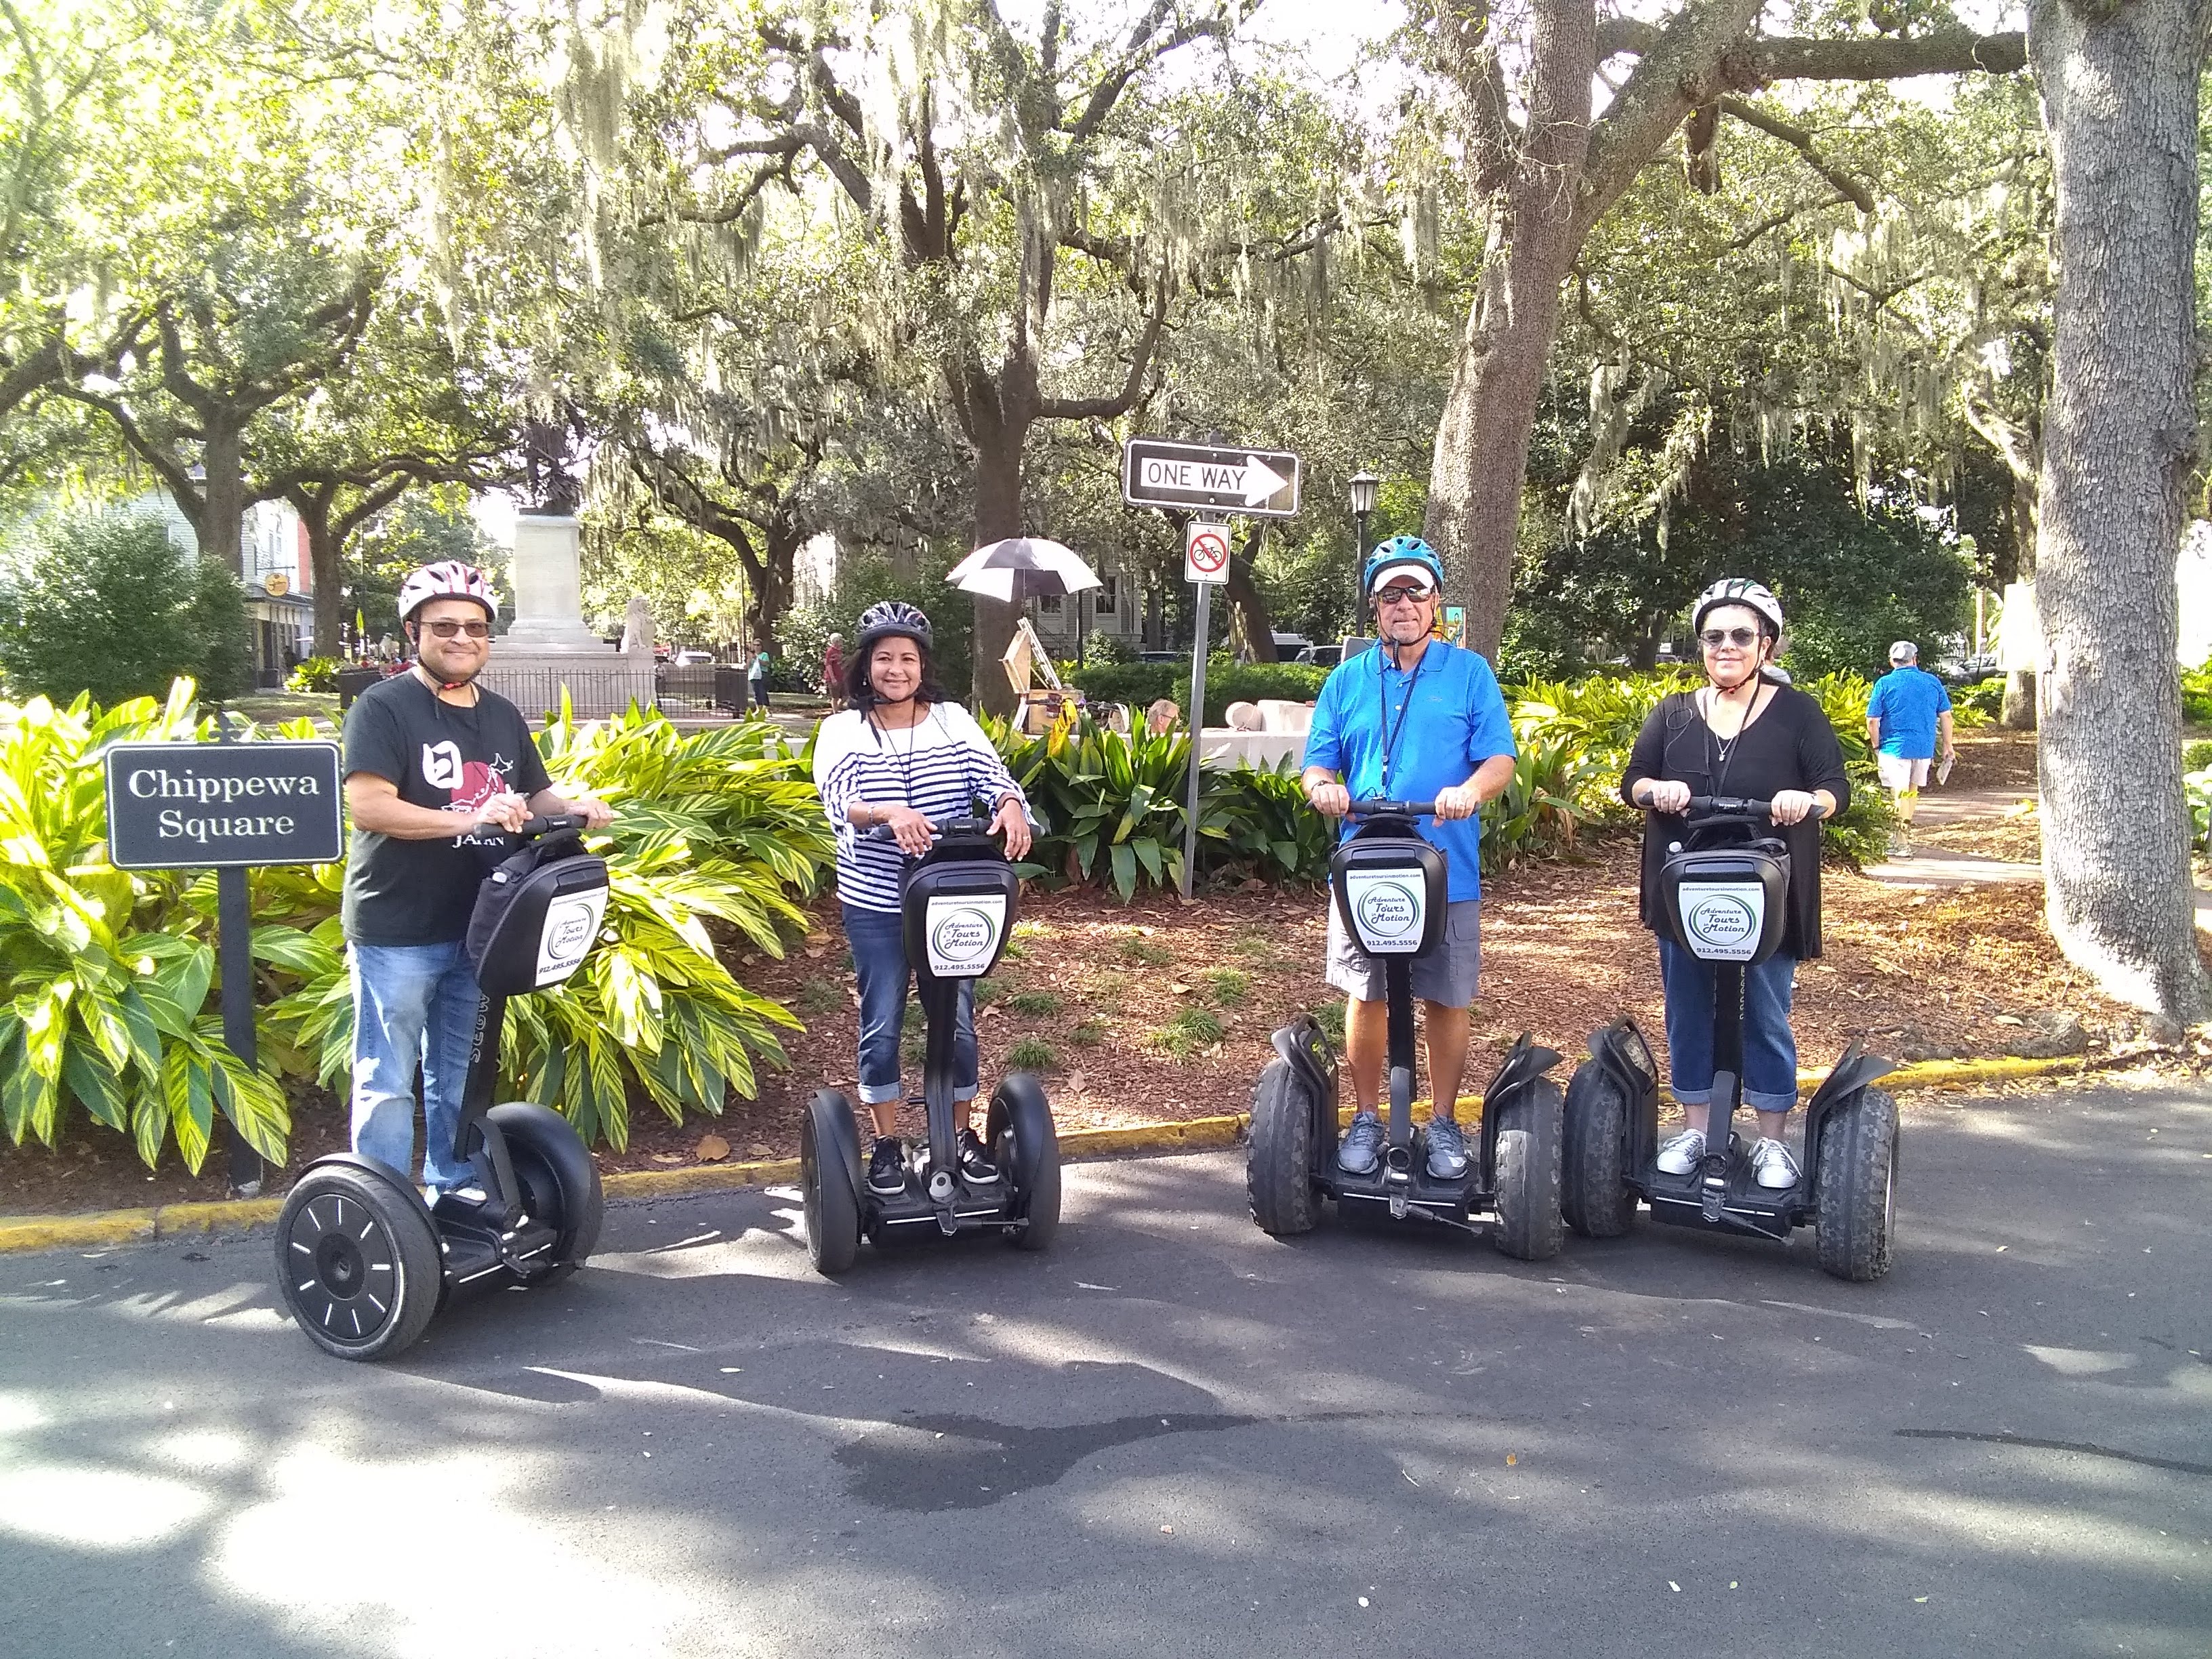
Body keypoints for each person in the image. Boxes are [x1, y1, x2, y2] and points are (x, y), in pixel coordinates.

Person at [342, 562, 615, 1200]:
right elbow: (369, 806)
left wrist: (576, 805)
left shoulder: (500, 713)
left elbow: (534, 792)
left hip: (481, 926)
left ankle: (453, 1190)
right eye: (445, 626)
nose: (462, 638)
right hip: (399, 928)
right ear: (415, 632)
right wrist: (467, 817)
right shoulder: (383, 708)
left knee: (458, 1075)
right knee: (386, 1079)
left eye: (476, 627)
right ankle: (383, 1211)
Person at [1298, 537, 1518, 1181]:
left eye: (1414, 592)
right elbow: (1318, 762)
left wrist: (1469, 791)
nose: (1402, 604)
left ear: (1436, 601)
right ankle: (1367, 1117)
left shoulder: (1468, 673)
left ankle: (1445, 1121)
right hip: (1365, 865)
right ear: (1375, 607)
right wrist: (1323, 790)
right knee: (1367, 996)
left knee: (1446, 998)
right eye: (1389, 594)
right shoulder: (1347, 679)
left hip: (1445, 864)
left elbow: (1499, 757)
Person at [1622, 577, 1849, 1191]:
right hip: (1687, 887)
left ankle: (1773, 1143)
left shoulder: (1798, 713)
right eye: (1714, 636)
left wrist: (1808, 802)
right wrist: (1655, 791)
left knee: (1766, 1012)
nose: (1727, 646)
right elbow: (1633, 780)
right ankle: (1698, 1129)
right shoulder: (1672, 714)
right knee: (1688, 1008)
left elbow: (1836, 787)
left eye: (1741, 635)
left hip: (1769, 888)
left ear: (1767, 645)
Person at [811, 601, 1034, 1197]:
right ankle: (885, 1144)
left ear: (922, 665)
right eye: (884, 658)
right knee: (881, 1023)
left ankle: (958, 1138)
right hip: (878, 901)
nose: (896, 669)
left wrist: (1010, 806)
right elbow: (839, 801)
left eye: (907, 658)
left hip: (953, 899)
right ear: (865, 667)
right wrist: (889, 812)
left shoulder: (953, 721)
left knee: (956, 1025)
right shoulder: (842, 730)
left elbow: (993, 777)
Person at [1866, 639, 1954, 858]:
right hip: (1922, 749)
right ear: (1915, 659)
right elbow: (1946, 715)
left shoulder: (1885, 684)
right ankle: (1902, 836)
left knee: (1899, 793)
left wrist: (1876, 745)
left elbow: (1872, 720)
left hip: (1894, 749)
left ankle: (1901, 841)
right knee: (1911, 792)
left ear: (1892, 661)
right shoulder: (1932, 682)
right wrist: (1948, 746)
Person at [823, 632, 846, 712]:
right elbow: (828, 665)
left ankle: (838, 707)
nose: (842, 642)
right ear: (836, 641)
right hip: (833, 677)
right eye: (840, 640)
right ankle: (835, 713)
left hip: (841, 676)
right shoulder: (830, 651)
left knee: (846, 695)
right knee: (835, 697)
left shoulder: (840, 651)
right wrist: (833, 678)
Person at [749, 646, 771, 712]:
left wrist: (757, 658)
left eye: (758, 645)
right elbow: (749, 666)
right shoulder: (751, 655)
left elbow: (766, 663)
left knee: (763, 691)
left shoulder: (764, 655)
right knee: (756, 692)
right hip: (754, 675)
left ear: (761, 646)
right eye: (755, 645)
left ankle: (766, 709)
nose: (756, 647)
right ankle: (759, 709)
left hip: (762, 674)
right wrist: (749, 660)